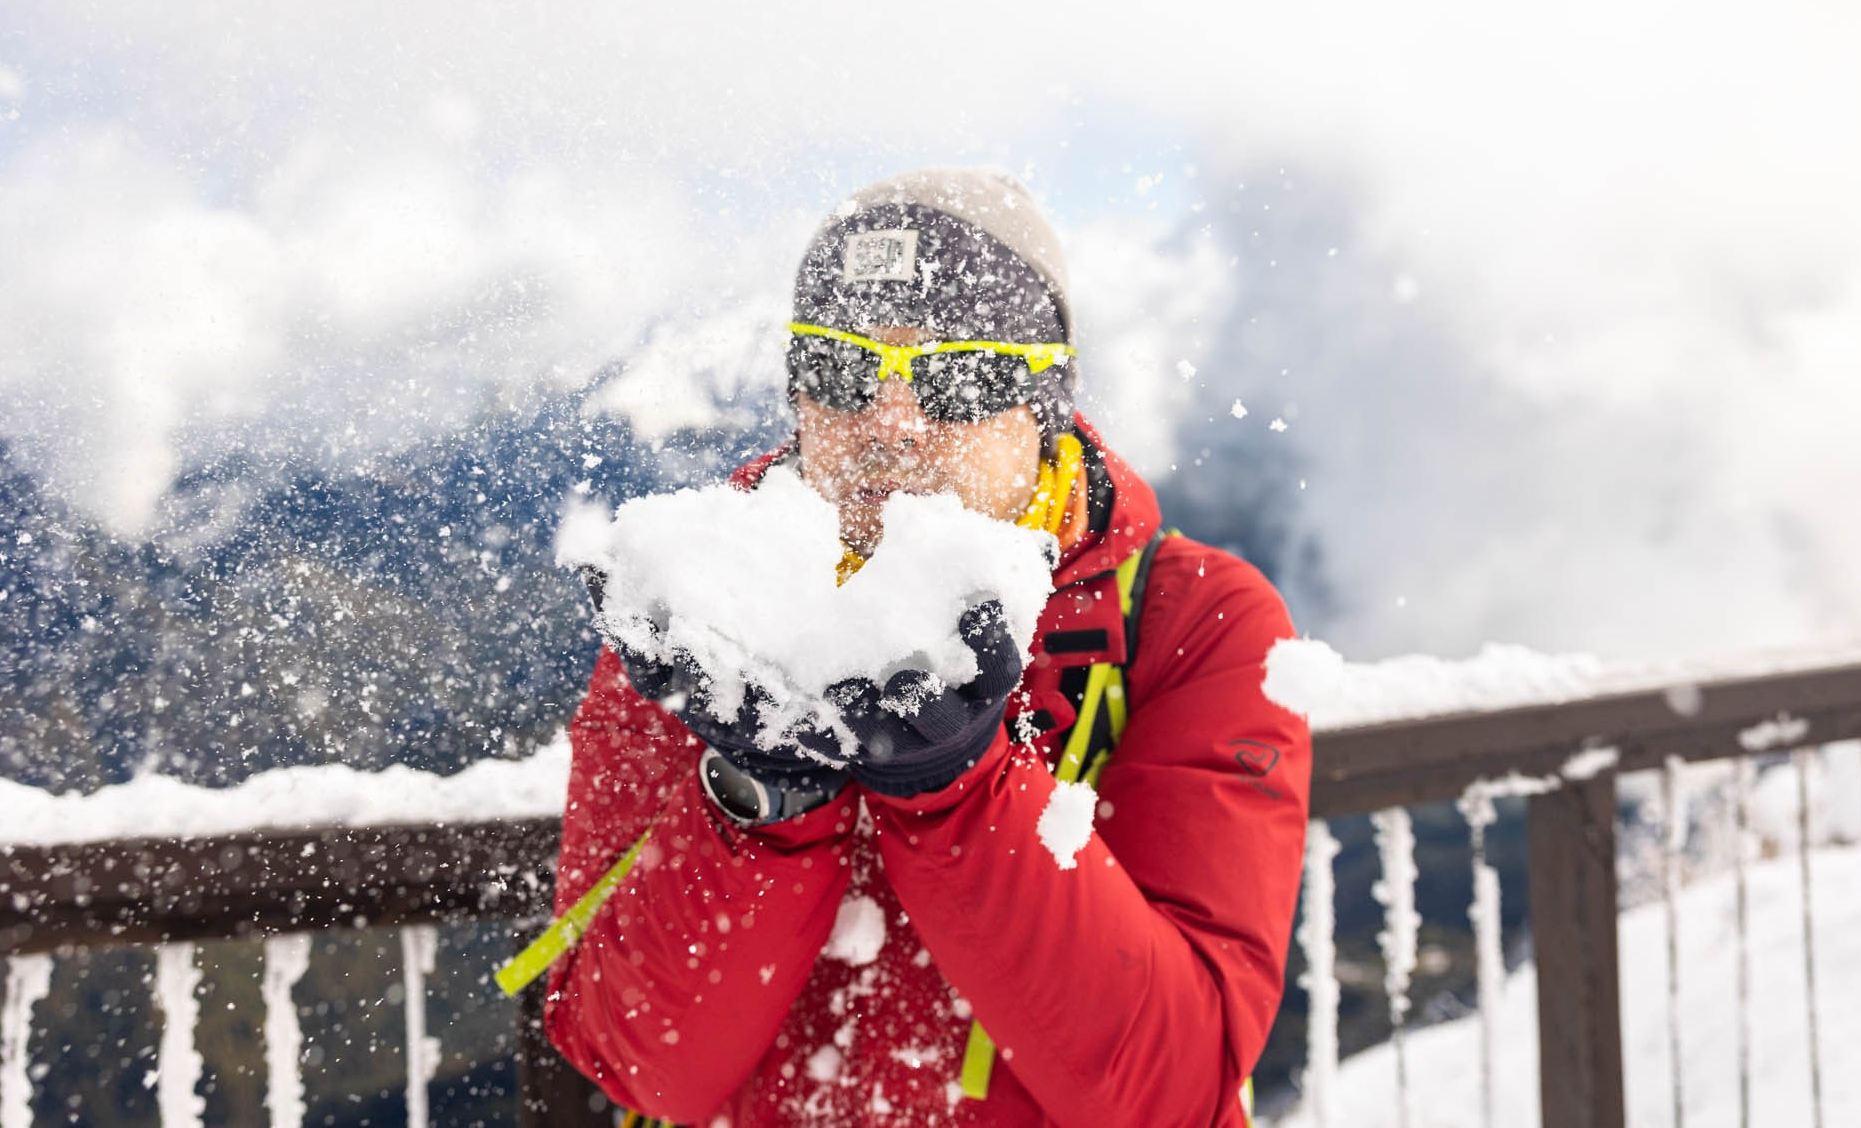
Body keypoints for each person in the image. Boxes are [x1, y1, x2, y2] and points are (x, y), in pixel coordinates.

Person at [541, 168, 1310, 1126]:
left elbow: (1173, 1089)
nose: (892, 422)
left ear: (1044, 405)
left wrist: (961, 790)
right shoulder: (697, 616)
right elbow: (635, 1061)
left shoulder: (1197, 623)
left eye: (960, 376)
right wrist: (760, 797)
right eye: (841, 369)